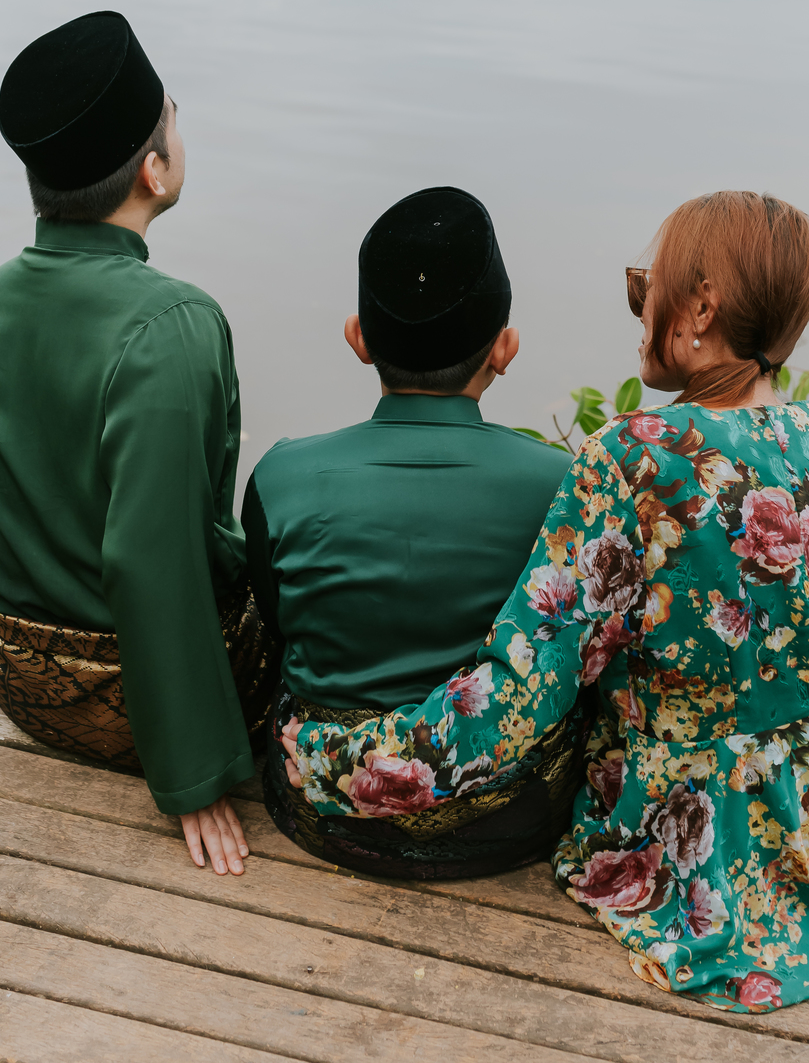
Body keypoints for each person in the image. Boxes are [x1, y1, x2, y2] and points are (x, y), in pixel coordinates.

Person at [282, 190, 809, 1011]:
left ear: (701, 308)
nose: (638, 314)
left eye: (646, 290)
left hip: (706, 843)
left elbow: (515, 701)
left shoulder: (640, 460)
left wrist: (339, 762)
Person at [0, 10, 278, 877]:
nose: (178, 125)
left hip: (17, 674)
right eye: (172, 116)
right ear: (154, 169)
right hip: (119, 697)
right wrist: (193, 771)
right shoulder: (172, 322)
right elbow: (151, 555)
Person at [244, 185, 576, 878]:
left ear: (358, 339)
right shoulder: (562, 485)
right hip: (506, 816)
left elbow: (277, 623)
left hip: (324, 811)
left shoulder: (281, 477)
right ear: (505, 349)